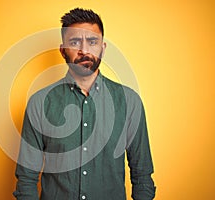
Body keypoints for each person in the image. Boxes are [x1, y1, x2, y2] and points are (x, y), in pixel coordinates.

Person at [14, 8, 156, 200]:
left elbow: (143, 177)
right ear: (63, 50)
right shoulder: (39, 103)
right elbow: (26, 180)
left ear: (103, 48)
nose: (84, 50)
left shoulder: (130, 102)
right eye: (75, 42)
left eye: (92, 42)